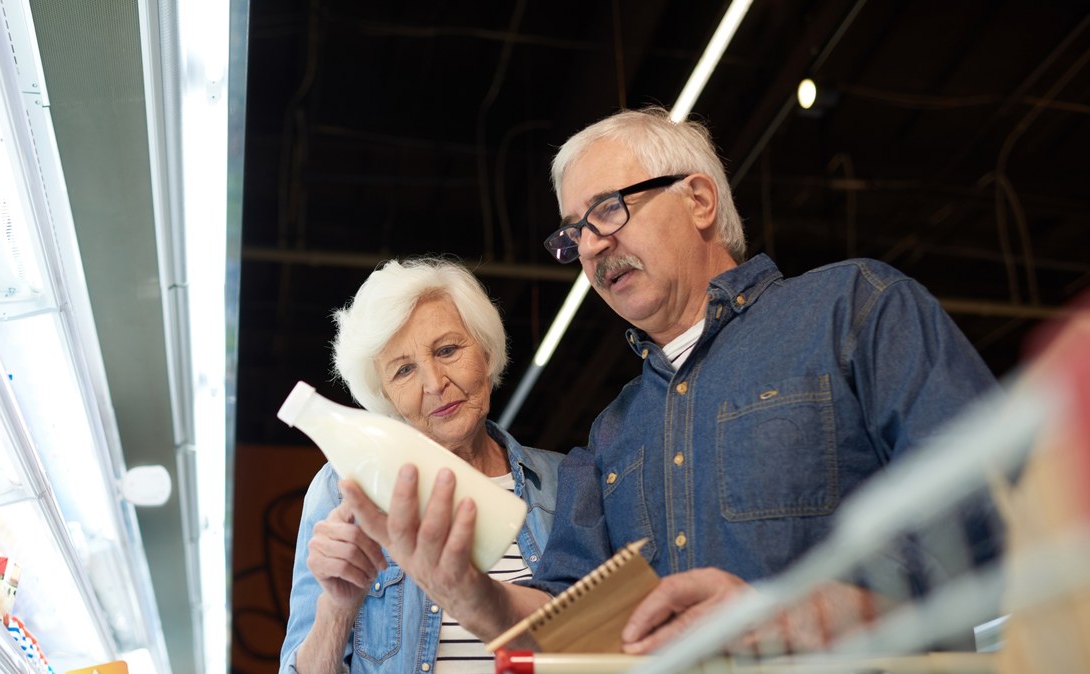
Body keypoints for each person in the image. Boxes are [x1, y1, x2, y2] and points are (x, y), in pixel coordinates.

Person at [341, 106, 1003, 656]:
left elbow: (999, 497)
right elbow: (564, 624)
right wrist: (468, 593)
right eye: (574, 235)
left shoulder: (854, 309)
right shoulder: (611, 435)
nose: (591, 246)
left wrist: (803, 614)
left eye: (607, 210)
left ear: (699, 198)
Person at [279, 257, 565, 673]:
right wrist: (337, 609)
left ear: (485, 351)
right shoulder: (345, 489)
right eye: (404, 370)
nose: (434, 382)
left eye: (447, 349)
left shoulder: (564, 482)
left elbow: (607, 643)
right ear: (386, 397)